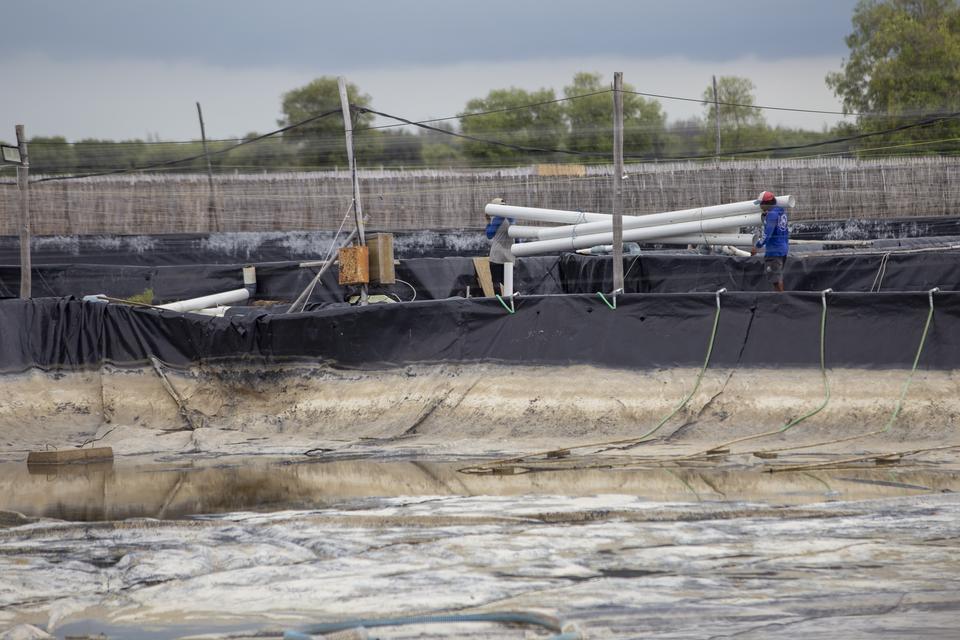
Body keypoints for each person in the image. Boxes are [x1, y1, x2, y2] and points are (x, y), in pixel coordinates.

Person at [751, 190, 788, 292]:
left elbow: (767, 234)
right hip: (782, 249)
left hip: (774, 251)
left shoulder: (771, 215)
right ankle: (781, 300)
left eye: (761, 204)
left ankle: (780, 301)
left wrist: (757, 246)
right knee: (778, 277)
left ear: (766, 204)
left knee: (775, 280)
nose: (760, 207)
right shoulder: (781, 211)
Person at [485, 197, 515, 295]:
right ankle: (514, 300)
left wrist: (488, 222)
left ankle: (499, 303)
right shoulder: (512, 218)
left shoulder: (498, 219)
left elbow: (489, 235)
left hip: (497, 256)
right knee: (508, 282)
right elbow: (517, 238)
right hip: (510, 255)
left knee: (496, 282)